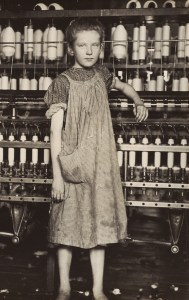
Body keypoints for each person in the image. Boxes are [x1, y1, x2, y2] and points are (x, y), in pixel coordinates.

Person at [44, 18, 148, 300]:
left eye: (94, 45)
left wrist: (138, 102)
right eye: (82, 45)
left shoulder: (103, 74)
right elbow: (55, 133)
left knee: (99, 227)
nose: (88, 51)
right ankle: (64, 287)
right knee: (66, 228)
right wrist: (57, 177)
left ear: (101, 48)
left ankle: (98, 289)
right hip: (71, 164)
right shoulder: (62, 83)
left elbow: (124, 87)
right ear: (70, 49)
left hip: (100, 166)